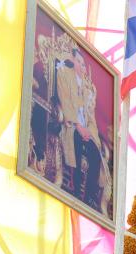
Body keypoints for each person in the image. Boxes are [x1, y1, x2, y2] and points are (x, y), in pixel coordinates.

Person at [56, 48, 103, 209]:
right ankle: (75, 190)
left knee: (96, 154)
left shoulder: (86, 88)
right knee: (75, 142)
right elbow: (65, 101)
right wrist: (78, 126)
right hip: (71, 125)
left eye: (83, 64)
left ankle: (89, 196)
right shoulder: (64, 74)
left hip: (85, 130)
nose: (82, 66)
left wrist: (89, 132)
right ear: (73, 60)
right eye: (79, 62)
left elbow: (90, 116)